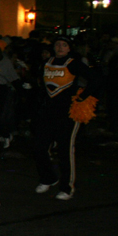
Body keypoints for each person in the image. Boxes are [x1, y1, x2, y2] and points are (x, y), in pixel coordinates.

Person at [33, 35, 95, 201]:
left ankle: (67, 187)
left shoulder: (73, 63)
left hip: (67, 113)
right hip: (48, 112)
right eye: (58, 44)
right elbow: (41, 86)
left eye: (64, 45)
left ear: (69, 48)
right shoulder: (46, 63)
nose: (60, 47)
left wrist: (83, 97)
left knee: (65, 150)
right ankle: (49, 178)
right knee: (39, 147)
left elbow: (95, 79)